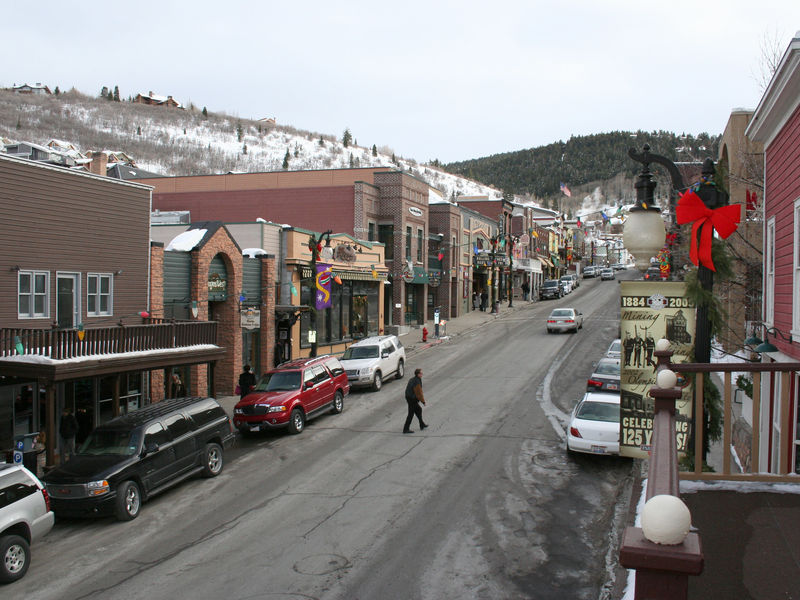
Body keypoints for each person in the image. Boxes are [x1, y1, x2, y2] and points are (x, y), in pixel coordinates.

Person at [403, 368, 428, 434]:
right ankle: (406, 429)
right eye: (421, 373)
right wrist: (423, 402)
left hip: (409, 397)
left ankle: (422, 424)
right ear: (418, 374)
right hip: (412, 399)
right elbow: (419, 393)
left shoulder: (413, 379)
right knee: (411, 414)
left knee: (418, 410)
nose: (422, 374)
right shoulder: (417, 381)